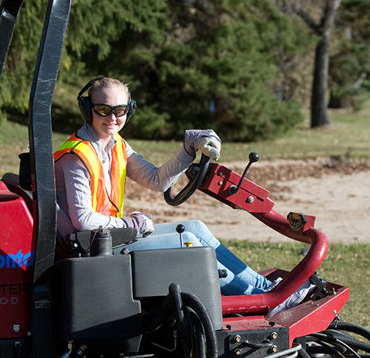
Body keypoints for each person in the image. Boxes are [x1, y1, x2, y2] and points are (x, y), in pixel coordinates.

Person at [54, 77, 313, 310]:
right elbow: (83, 220)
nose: (112, 118)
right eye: (103, 110)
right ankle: (263, 302)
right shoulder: (77, 156)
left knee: (196, 228)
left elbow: (156, 180)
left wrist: (189, 148)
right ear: (88, 109)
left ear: (128, 110)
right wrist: (130, 225)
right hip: (93, 249)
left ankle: (267, 291)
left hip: (108, 239)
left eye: (119, 110)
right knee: (187, 240)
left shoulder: (114, 145)